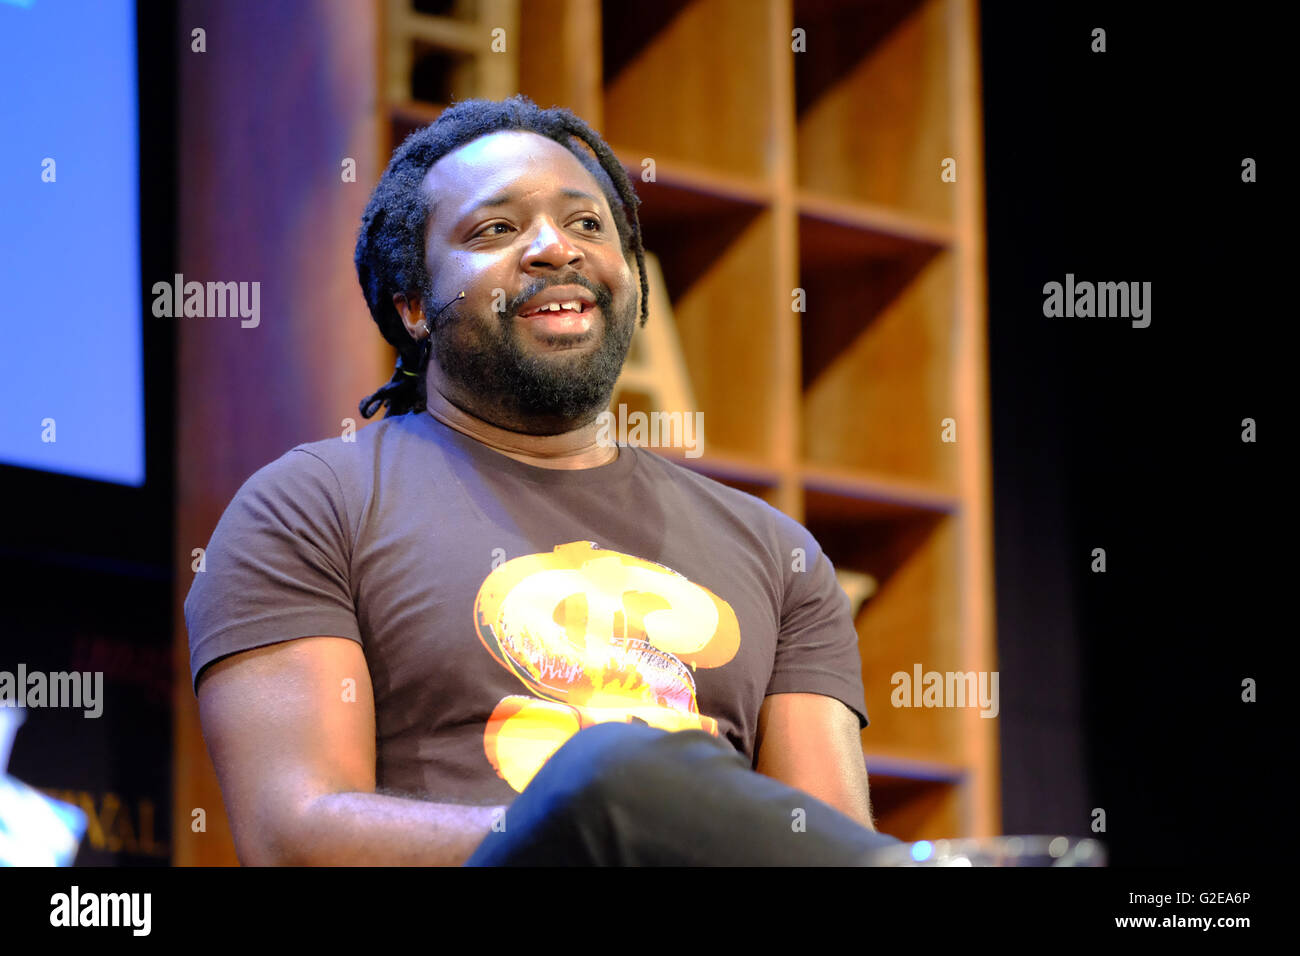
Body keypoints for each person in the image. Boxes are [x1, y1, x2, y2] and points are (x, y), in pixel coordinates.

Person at [185, 94, 902, 866]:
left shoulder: (776, 552)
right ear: (415, 304)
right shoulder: (311, 507)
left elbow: (839, 858)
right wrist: (590, 826)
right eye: (497, 229)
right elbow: (296, 839)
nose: (555, 248)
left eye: (588, 224)